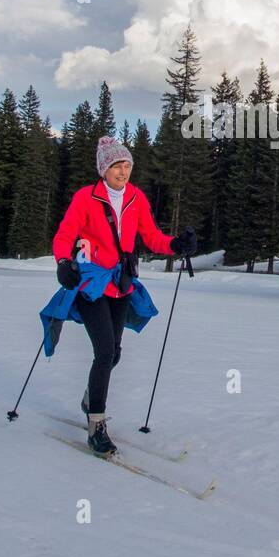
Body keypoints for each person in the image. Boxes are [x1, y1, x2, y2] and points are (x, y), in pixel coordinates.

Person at [52, 135, 197, 455]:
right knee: (104, 351)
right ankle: (96, 424)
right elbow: (65, 235)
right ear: (103, 169)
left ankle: (91, 398)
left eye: (127, 165)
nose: (123, 171)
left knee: (114, 353)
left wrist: (175, 245)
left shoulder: (136, 198)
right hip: (91, 283)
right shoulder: (85, 198)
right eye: (116, 165)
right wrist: (64, 261)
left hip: (121, 283)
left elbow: (151, 236)